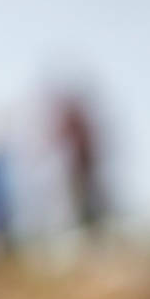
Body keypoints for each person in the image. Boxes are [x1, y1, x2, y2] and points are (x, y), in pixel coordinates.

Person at [51, 87, 108, 239]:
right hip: (78, 173)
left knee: (89, 206)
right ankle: (86, 234)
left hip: (85, 173)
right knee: (80, 207)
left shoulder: (80, 124)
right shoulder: (76, 123)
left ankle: (93, 234)